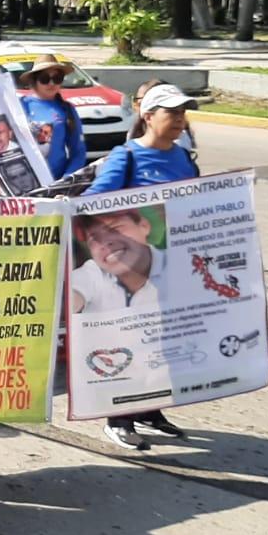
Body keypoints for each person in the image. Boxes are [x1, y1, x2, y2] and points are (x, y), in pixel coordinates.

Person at [83, 82, 200, 449]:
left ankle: (149, 410)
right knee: (129, 342)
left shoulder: (183, 158)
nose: (180, 120)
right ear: (148, 117)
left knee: (162, 343)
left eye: (183, 112)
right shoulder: (127, 156)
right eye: (172, 112)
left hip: (170, 267)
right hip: (129, 274)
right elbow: (92, 203)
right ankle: (118, 418)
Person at [19, 54, 87, 180]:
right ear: (34, 80)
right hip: (23, 182)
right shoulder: (19, 106)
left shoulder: (67, 109)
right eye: (44, 79)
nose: (51, 83)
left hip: (56, 182)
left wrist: (67, 179)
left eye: (57, 78)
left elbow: (78, 151)